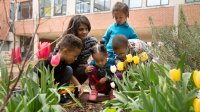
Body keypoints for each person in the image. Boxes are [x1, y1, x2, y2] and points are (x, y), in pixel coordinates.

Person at [63, 15, 98, 84]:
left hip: (83, 71)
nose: (85, 32)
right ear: (74, 30)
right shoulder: (66, 41)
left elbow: (101, 53)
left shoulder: (92, 41)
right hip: (67, 71)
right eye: (81, 29)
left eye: (86, 29)